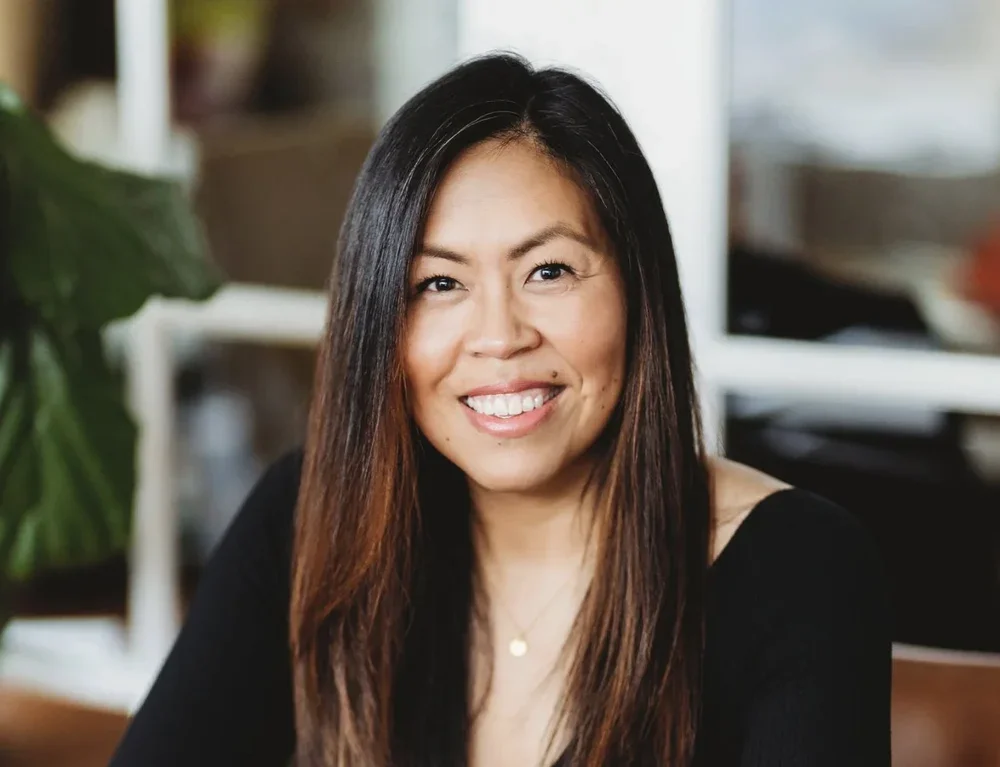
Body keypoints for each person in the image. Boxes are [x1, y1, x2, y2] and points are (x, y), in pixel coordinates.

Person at [109, 54, 891, 766]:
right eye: (439, 284)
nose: (499, 336)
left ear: (637, 289)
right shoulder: (308, 519)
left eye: (549, 271)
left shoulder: (798, 566)